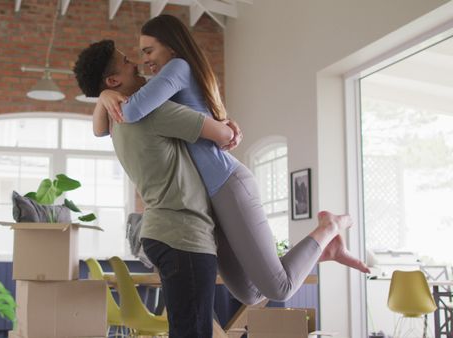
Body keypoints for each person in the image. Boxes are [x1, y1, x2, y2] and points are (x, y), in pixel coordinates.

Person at [93, 14, 370, 306]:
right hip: (210, 201)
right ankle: (325, 251)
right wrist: (103, 96)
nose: (144, 61)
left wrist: (105, 94)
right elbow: (102, 129)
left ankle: (329, 227)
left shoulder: (178, 67)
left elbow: (132, 112)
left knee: (279, 288)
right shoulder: (163, 82)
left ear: (172, 48)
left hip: (226, 184)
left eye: (149, 51)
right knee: (249, 293)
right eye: (140, 54)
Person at [74, 40, 235, 338]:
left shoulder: (115, 120)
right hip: (183, 234)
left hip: (166, 233)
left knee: (188, 329)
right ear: (113, 80)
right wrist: (228, 126)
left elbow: (97, 128)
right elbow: (223, 136)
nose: (135, 62)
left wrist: (103, 98)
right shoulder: (151, 113)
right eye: (125, 61)